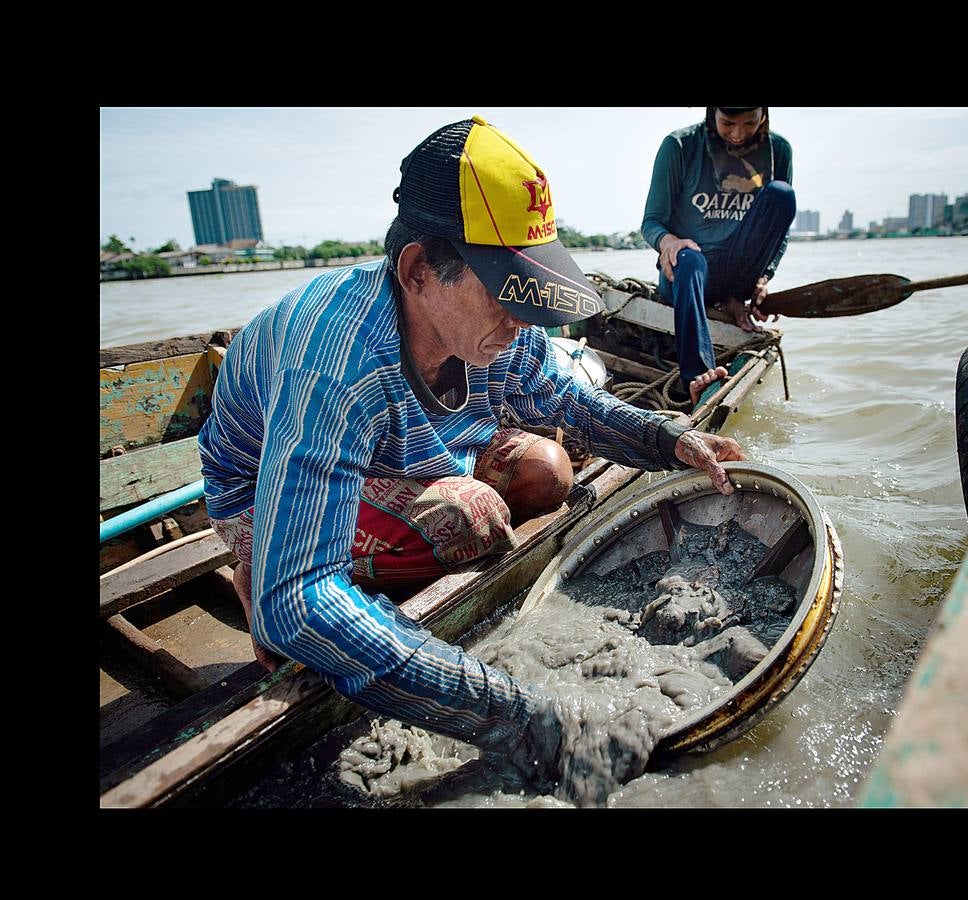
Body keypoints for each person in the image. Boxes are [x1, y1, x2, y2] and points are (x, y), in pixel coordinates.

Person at [197, 116, 746, 784]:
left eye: (531, 289)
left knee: (547, 469)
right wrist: (521, 715)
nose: (523, 319)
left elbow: (564, 397)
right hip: (265, 480)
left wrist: (671, 438)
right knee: (461, 523)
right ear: (419, 269)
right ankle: (263, 552)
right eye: (504, 291)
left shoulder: (492, 330)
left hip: (400, 448)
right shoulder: (336, 363)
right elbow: (300, 605)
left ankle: (382, 545)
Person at [641, 107, 795, 402]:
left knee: (782, 194)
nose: (738, 134)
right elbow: (651, 222)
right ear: (712, 113)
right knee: (690, 258)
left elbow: (780, 229)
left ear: (764, 114)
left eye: (749, 123)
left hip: (737, 275)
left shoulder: (779, 150)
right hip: (686, 273)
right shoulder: (680, 145)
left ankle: (735, 300)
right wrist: (668, 242)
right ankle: (699, 376)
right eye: (727, 123)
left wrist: (764, 276)